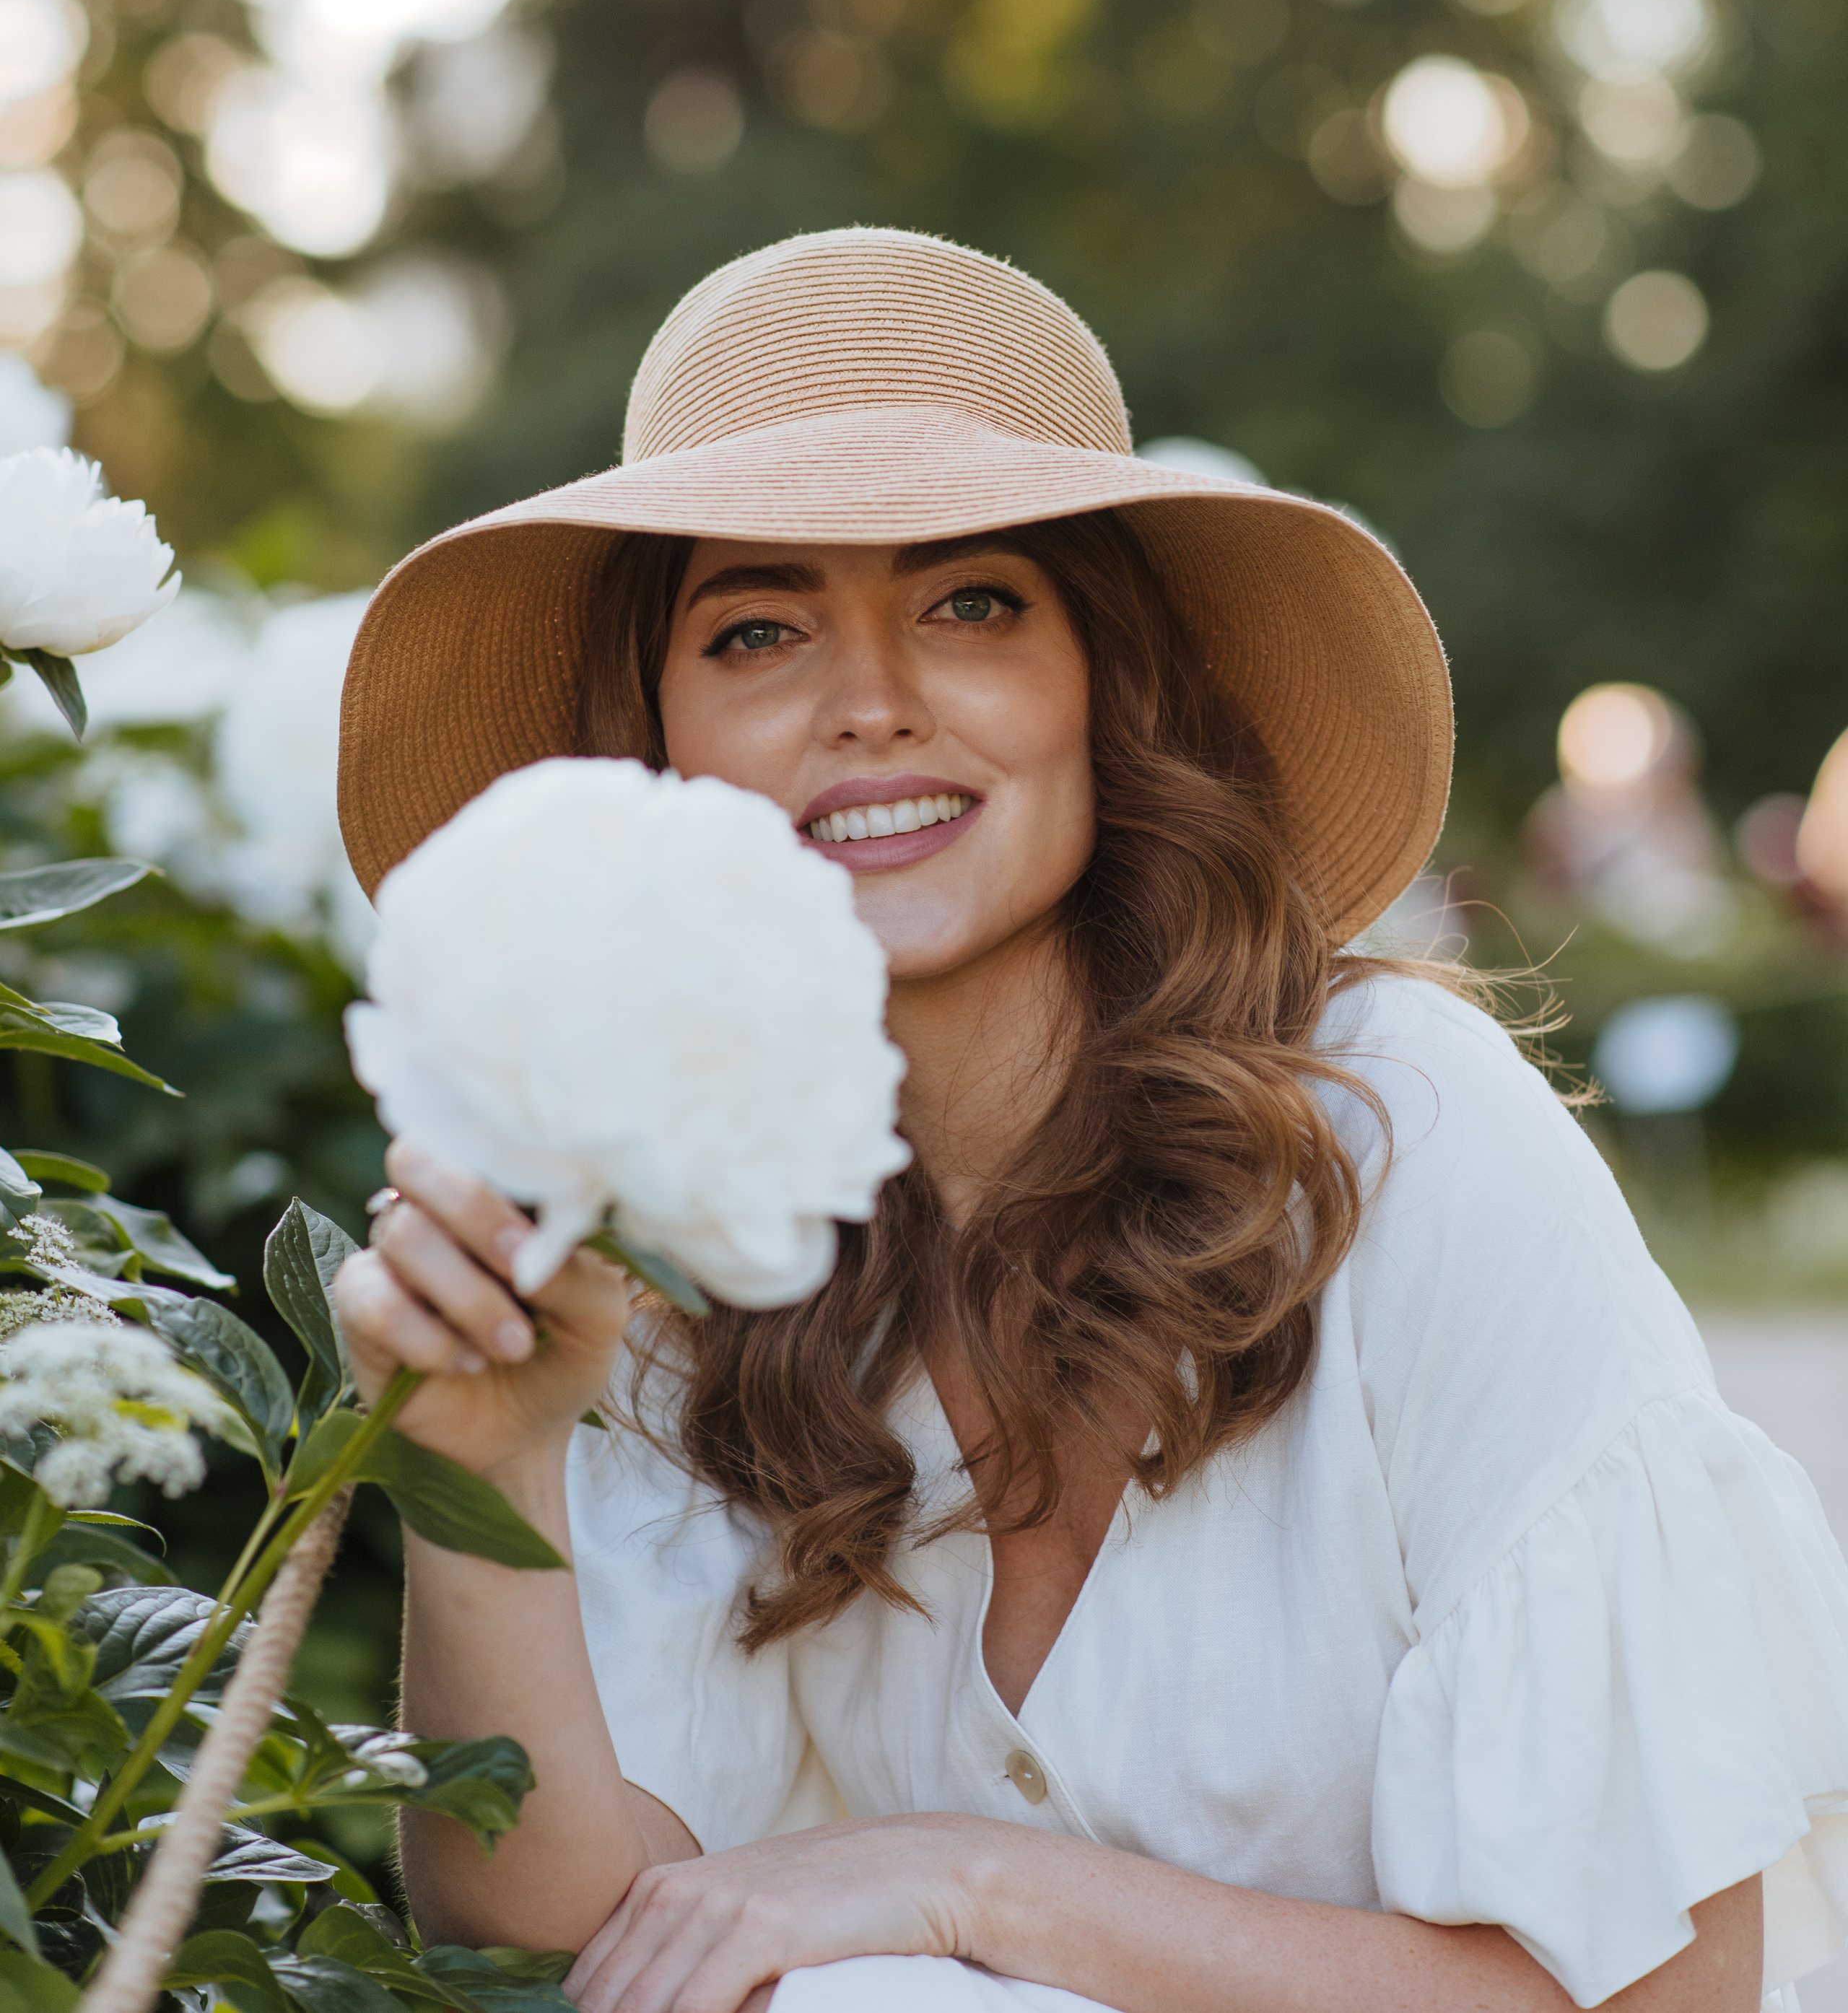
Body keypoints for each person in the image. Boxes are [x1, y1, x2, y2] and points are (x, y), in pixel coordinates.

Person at [332, 230, 1848, 2013]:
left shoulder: (1404, 1137)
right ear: (656, 750)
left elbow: (1675, 1998)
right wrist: (476, 1458)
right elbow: (572, 1929)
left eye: (970, 602)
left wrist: (967, 1883)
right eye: (755, 626)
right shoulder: (674, 1236)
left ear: (1103, 684)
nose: (869, 698)